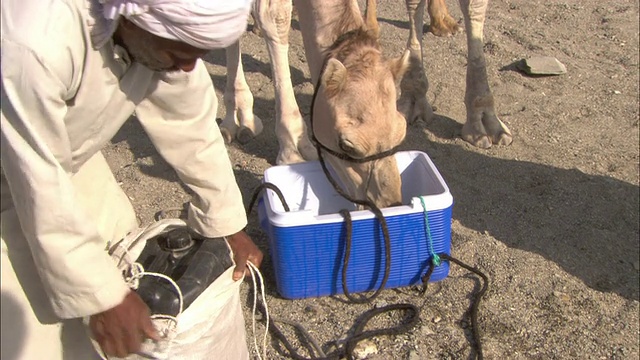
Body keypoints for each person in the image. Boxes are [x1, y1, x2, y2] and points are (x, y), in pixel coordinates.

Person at [0, 0, 263, 358]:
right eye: (178, 50)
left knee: (124, 266)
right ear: (132, 16)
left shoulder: (156, 32)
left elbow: (188, 121)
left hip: (66, 159)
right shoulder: (35, 43)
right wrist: (102, 296)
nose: (188, 65)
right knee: (35, 341)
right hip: (23, 171)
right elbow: (37, 178)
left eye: (199, 53)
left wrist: (225, 221)